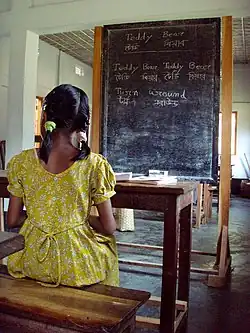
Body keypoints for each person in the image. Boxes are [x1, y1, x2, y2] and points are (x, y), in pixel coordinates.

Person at [6, 84, 119, 287]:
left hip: (32, 261)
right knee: (108, 247)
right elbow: (109, 227)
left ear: (45, 118)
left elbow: (12, 220)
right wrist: (82, 219)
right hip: (77, 266)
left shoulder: (21, 162)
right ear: (84, 124)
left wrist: (43, 216)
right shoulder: (94, 165)